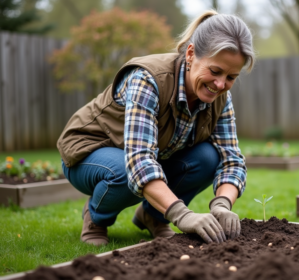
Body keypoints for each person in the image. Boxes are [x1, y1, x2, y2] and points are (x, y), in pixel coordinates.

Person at [57, 10, 255, 246]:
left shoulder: (221, 97)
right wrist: (182, 215)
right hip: (88, 151)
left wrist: (222, 203)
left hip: (143, 155)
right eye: (215, 71)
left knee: (208, 157)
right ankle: (96, 217)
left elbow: (231, 159)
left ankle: (153, 216)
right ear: (191, 54)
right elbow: (139, 162)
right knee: (124, 172)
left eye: (231, 76)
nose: (221, 84)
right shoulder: (148, 79)